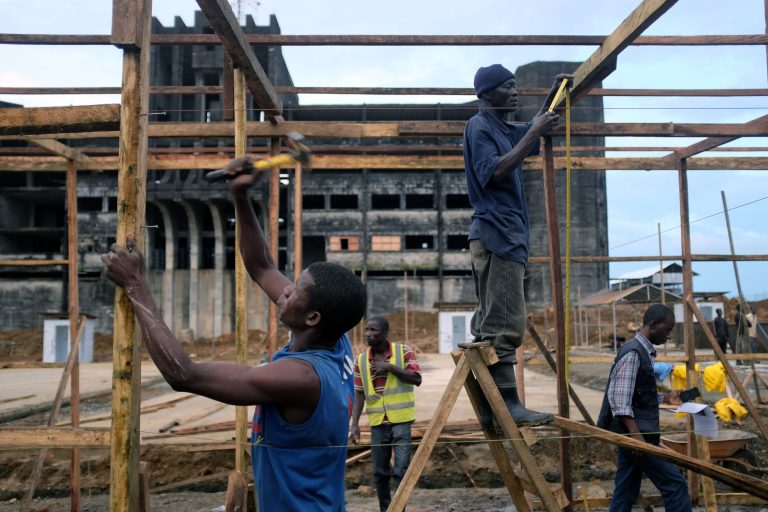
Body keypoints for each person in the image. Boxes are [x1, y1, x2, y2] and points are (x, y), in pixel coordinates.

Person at [101, 156, 366, 512]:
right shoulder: (336, 339)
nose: (284, 290)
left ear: (313, 317)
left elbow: (185, 375)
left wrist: (136, 286)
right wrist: (240, 197)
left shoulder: (300, 377)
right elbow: (262, 267)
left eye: (295, 290)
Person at [463, 63, 570, 427]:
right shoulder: (480, 127)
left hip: (503, 235)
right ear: (486, 94)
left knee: (491, 320)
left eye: (516, 86)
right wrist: (532, 134)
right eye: (507, 87)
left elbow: (532, 130)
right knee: (505, 321)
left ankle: (493, 408)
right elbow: (494, 170)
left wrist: (551, 97)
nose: (515, 91)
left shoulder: (501, 128)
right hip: (498, 234)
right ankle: (507, 404)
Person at [597, 304, 691, 512]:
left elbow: (637, 395)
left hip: (635, 434)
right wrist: (637, 437)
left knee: (626, 490)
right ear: (652, 324)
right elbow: (620, 401)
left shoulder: (643, 352)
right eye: (666, 330)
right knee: (674, 484)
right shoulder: (633, 353)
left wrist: (665, 397)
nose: (668, 336)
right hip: (637, 436)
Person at [349, 317, 422, 512]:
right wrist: (354, 424)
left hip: (401, 421)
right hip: (378, 423)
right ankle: (385, 509)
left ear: (385, 333)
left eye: (373, 330)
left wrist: (390, 367)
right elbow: (359, 393)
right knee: (380, 473)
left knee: (401, 471)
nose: (368, 334)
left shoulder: (403, 352)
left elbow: (416, 379)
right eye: (367, 330)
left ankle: (399, 509)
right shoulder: (361, 360)